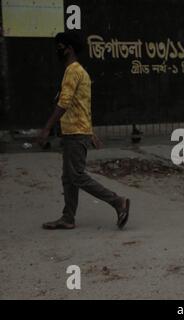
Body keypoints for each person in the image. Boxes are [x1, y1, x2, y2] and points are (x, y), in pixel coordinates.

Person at [37, 31, 130, 230]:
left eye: (60, 46)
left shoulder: (72, 71)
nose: (57, 50)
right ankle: (68, 217)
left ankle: (117, 202)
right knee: (68, 177)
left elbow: (64, 103)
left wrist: (46, 128)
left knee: (76, 176)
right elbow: (83, 106)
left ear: (69, 49)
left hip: (75, 134)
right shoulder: (81, 72)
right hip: (78, 132)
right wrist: (91, 132)